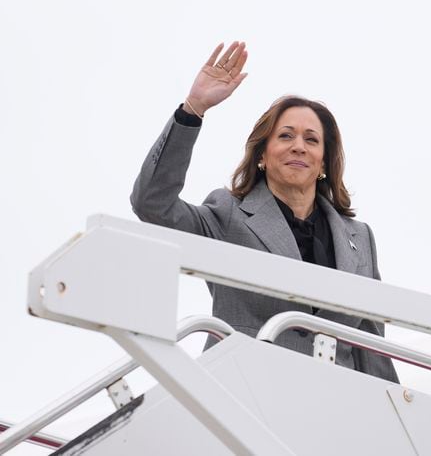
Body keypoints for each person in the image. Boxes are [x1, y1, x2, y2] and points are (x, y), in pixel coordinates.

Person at [131, 41, 398, 383]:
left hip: (337, 408)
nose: (299, 146)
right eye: (285, 136)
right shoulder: (227, 214)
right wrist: (193, 109)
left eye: (311, 139)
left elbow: (372, 346)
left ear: (323, 162)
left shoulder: (359, 237)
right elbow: (152, 204)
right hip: (246, 396)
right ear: (262, 154)